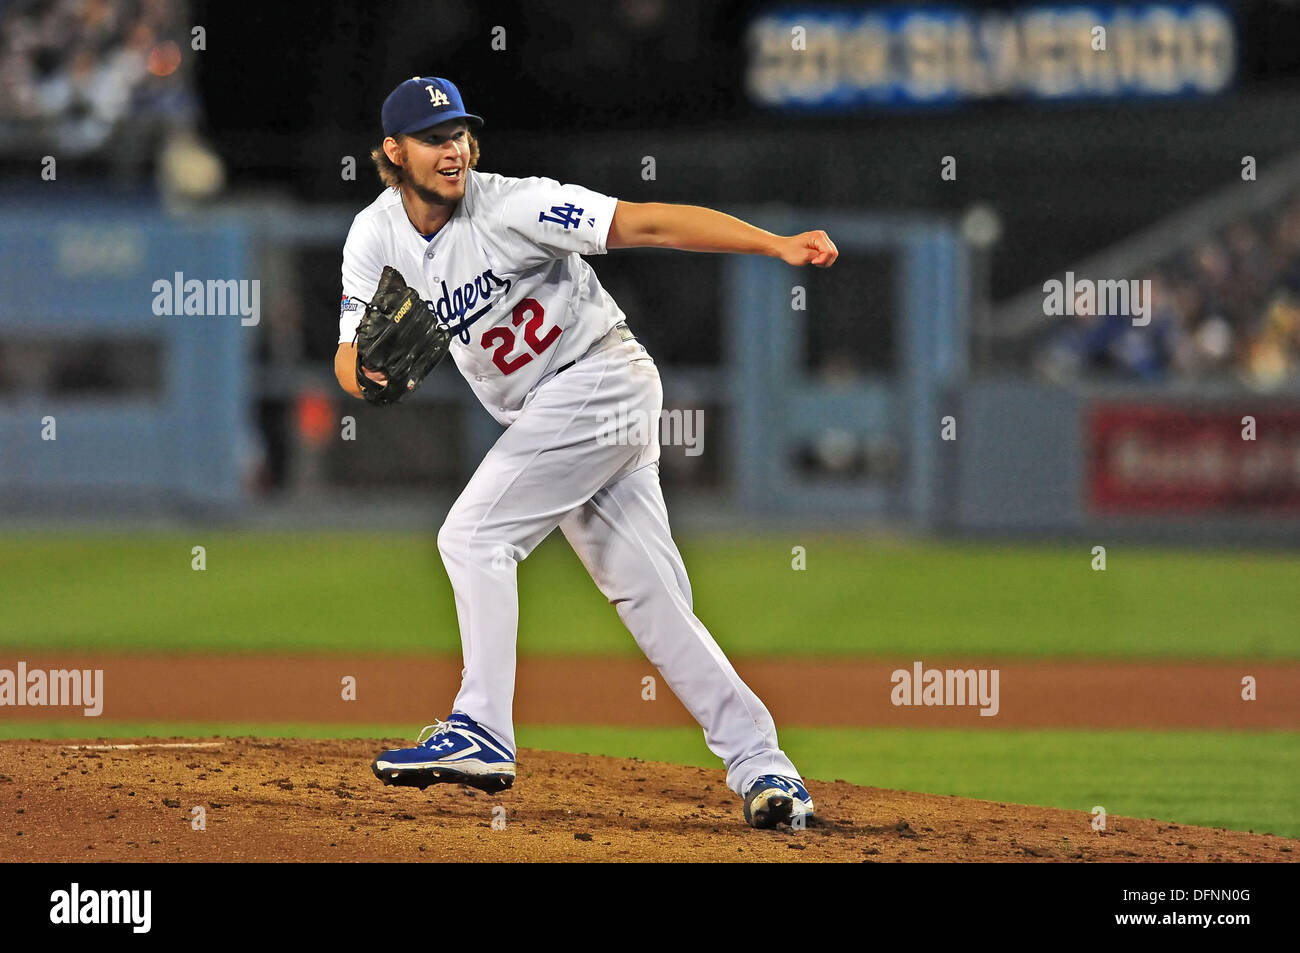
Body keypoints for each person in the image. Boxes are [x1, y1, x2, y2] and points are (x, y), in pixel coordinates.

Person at [333, 77, 837, 828]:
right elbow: (347, 354)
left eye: (462, 133)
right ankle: (765, 766)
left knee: (474, 534)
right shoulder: (376, 235)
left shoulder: (513, 204)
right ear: (393, 152)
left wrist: (770, 242)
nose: (455, 149)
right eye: (437, 138)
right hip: (556, 413)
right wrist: (366, 374)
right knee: (655, 603)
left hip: (601, 376)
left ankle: (483, 727)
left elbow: (649, 224)